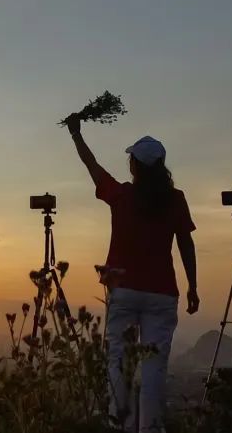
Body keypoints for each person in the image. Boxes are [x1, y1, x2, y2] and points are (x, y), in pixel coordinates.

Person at [65, 113, 199, 433]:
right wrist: (193, 286)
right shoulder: (175, 200)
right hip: (162, 293)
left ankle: (120, 426)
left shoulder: (122, 196)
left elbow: (92, 166)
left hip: (123, 290)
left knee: (119, 366)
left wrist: (76, 134)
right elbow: (186, 244)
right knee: (153, 370)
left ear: (135, 166)